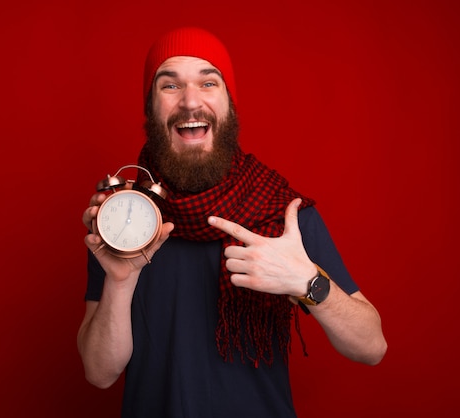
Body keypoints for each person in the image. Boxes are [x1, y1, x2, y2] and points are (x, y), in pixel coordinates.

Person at [78, 27, 387, 418]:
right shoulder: (121, 221)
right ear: (150, 108)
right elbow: (100, 373)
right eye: (169, 86)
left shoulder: (282, 213)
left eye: (209, 82)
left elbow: (372, 347)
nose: (191, 101)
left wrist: (308, 282)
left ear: (230, 104)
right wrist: (120, 283)